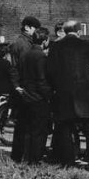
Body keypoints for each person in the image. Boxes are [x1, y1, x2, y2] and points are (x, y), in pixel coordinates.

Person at [47, 20, 89, 170]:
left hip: (64, 94)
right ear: (78, 32)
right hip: (85, 93)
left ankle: (68, 162)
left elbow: (50, 71)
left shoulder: (56, 47)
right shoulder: (85, 46)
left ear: (64, 31)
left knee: (66, 128)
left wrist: (56, 87)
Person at [10, 16, 41, 162]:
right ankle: (23, 157)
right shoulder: (24, 44)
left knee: (22, 124)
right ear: (28, 28)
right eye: (35, 29)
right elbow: (23, 67)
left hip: (20, 87)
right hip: (25, 89)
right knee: (27, 124)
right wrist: (20, 86)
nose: (36, 32)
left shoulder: (20, 42)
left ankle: (18, 156)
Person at [21, 27, 52, 164]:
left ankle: (27, 158)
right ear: (45, 40)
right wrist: (49, 94)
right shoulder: (40, 56)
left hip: (27, 97)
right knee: (40, 131)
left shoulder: (26, 54)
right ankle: (36, 160)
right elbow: (41, 79)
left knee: (29, 130)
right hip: (38, 98)